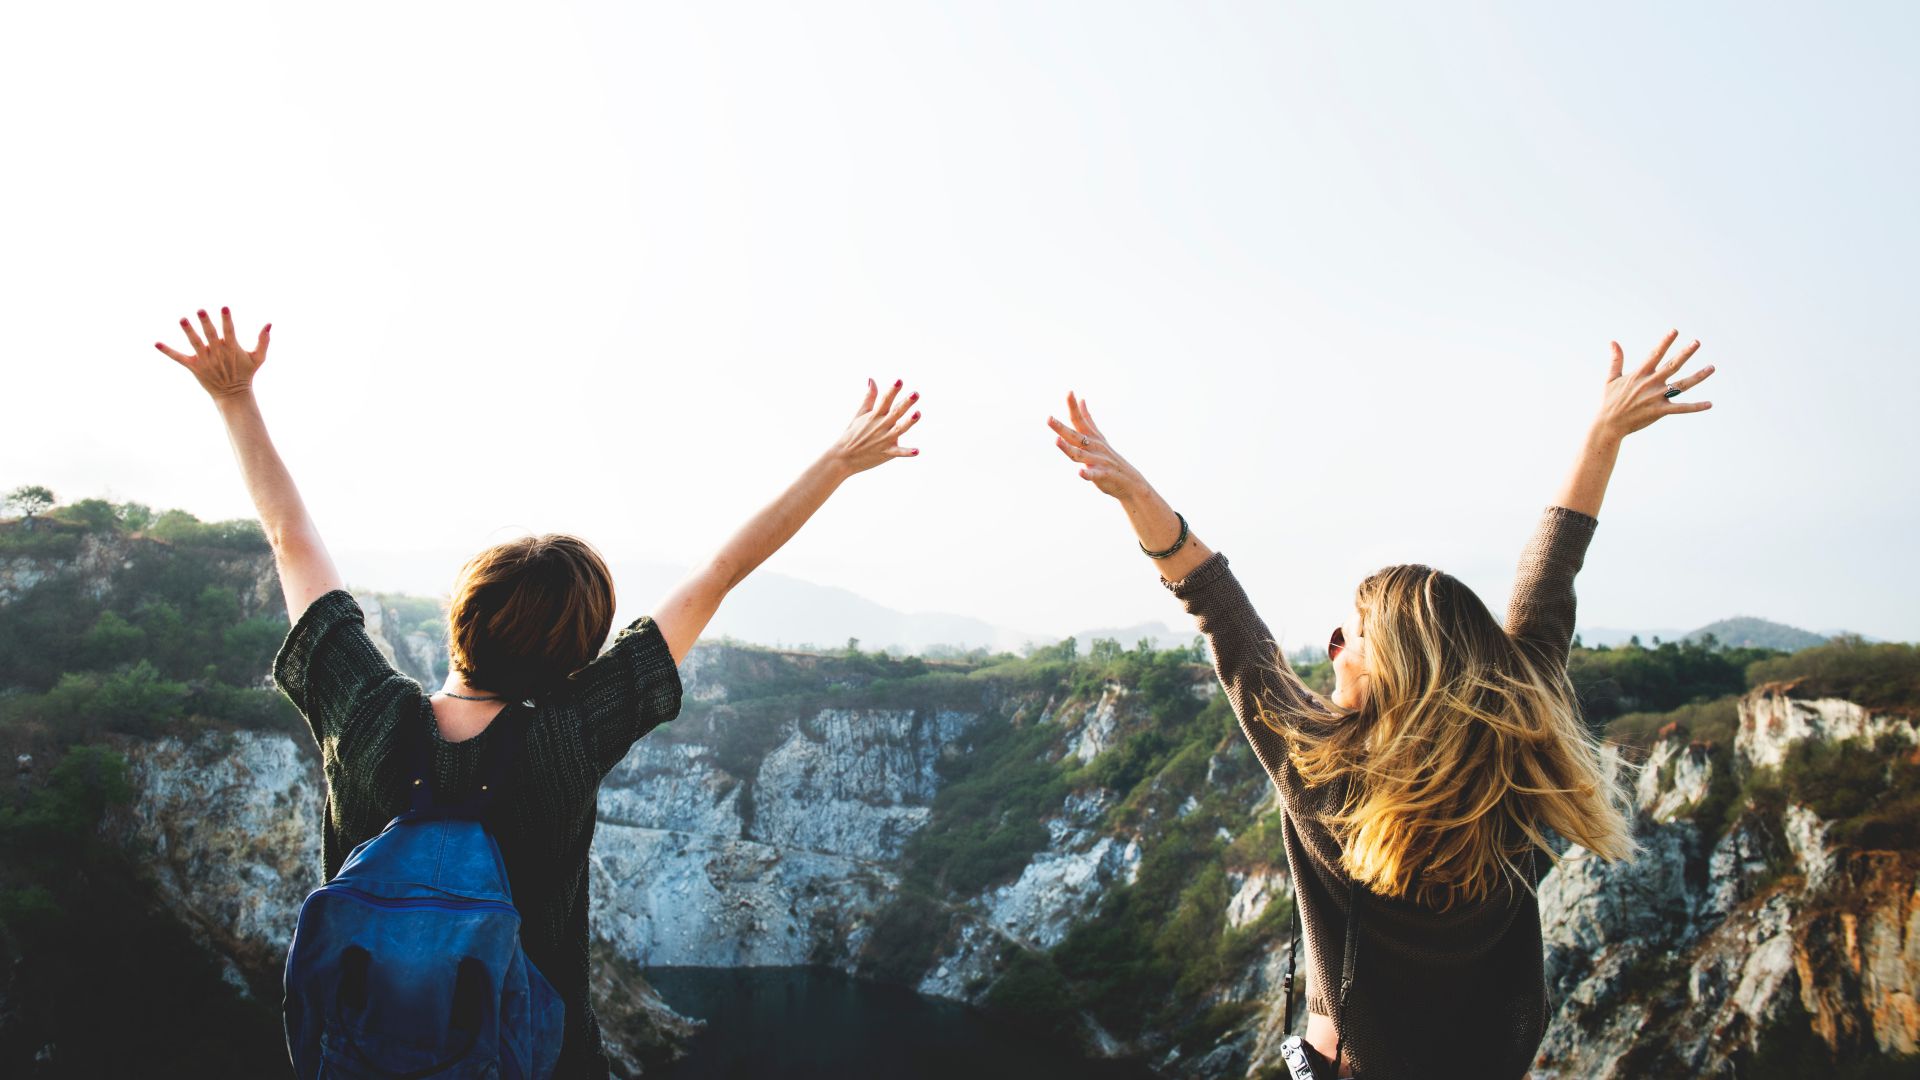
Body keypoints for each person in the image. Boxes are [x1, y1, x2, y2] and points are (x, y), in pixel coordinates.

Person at [156, 307, 924, 1077]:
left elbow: (291, 540)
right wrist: (838, 462)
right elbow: (721, 571)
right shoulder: (570, 735)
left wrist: (234, 398)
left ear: (462, 616)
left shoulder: (364, 716)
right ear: (581, 653)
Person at [1045, 332, 1716, 1078]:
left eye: (1347, 635)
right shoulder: (1516, 747)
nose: (1332, 646)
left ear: (1393, 664)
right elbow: (1551, 567)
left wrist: (1137, 496)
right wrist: (1603, 433)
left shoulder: (1322, 775)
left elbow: (1221, 612)